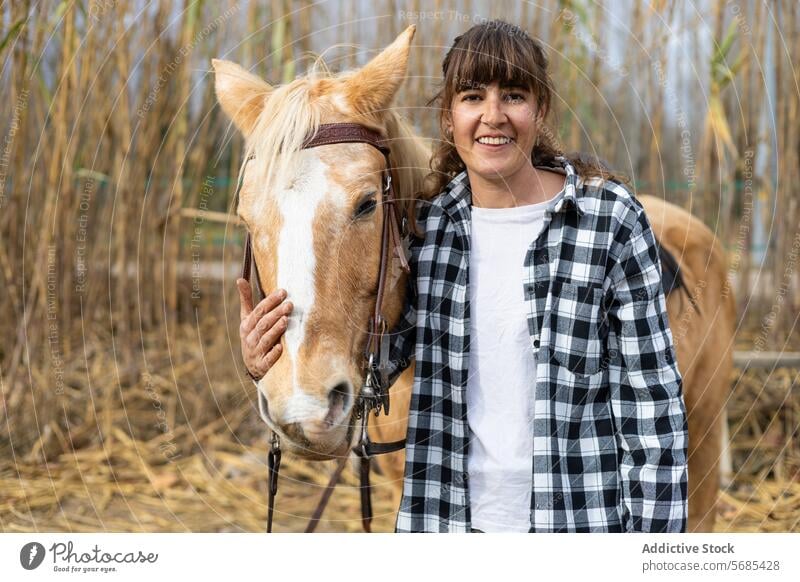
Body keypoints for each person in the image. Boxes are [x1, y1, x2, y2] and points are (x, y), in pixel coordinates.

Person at [239, 20, 688, 533]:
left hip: (578, 523)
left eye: (513, 95)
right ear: (448, 119)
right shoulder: (431, 230)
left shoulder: (609, 220)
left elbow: (652, 409)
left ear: (539, 112)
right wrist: (273, 356)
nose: (492, 116)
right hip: (446, 525)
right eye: (473, 97)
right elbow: (379, 362)